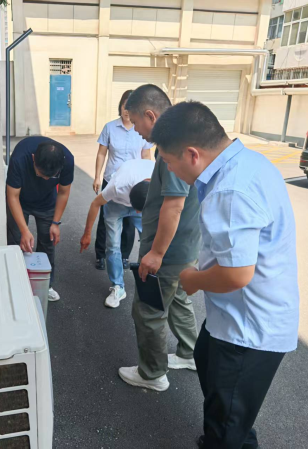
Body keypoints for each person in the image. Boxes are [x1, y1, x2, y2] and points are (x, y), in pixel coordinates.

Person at [151, 101, 299, 449]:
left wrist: (192, 279)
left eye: (168, 161)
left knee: (226, 421)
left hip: (248, 330)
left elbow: (236, 275)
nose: (168, 169)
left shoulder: (229, 190)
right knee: (212, 375)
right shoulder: (248, 162)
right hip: (234, 317)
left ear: (192, 154)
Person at [115, 84, 201, 392]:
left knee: (148, 311)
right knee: (177, 300)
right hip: (185, 246)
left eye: (136, 121)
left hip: (168, 252)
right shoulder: (188, 135)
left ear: (151, 115)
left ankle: (152, 373)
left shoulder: (171, 146)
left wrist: (156, 253)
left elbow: (174, 205)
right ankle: (190, 353)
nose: (137, 131)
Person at [6, 136, 74, 302]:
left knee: (47, 241)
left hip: (47, 203)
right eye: (41, 174)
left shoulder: (67, 160)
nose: (45, 179)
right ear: (33, 159)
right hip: (20, 201)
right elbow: (12, 196)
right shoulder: (20, 158)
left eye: (50, 177)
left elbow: (63, 192)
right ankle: (15, 284)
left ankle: (45, 285)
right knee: (16, 242)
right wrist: (24, 230)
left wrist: (56, 223)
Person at [79, 159, 154, 308]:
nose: (136, 212)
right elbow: (95, 204)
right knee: (113, 245)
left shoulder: (160, 180)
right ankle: (118, 286)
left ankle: (151, 283)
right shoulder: (118, 185)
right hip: (116, 204)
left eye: (139, 211)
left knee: (151, 242)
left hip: (146, 201)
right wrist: (87, 234)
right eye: (135, 209)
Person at [93, 90, 153, 271]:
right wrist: (97, 176)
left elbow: (146, 155)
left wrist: (148, 179)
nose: (127, 111)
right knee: (106, 219)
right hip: (112, 180)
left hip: (134, 183)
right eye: (124, 106)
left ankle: (124, 256)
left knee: (129, 222)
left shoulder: (141, 129)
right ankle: (101, 254)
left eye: (131, 107)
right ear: (120, 106)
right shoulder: (110, 127)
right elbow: (102, 153)